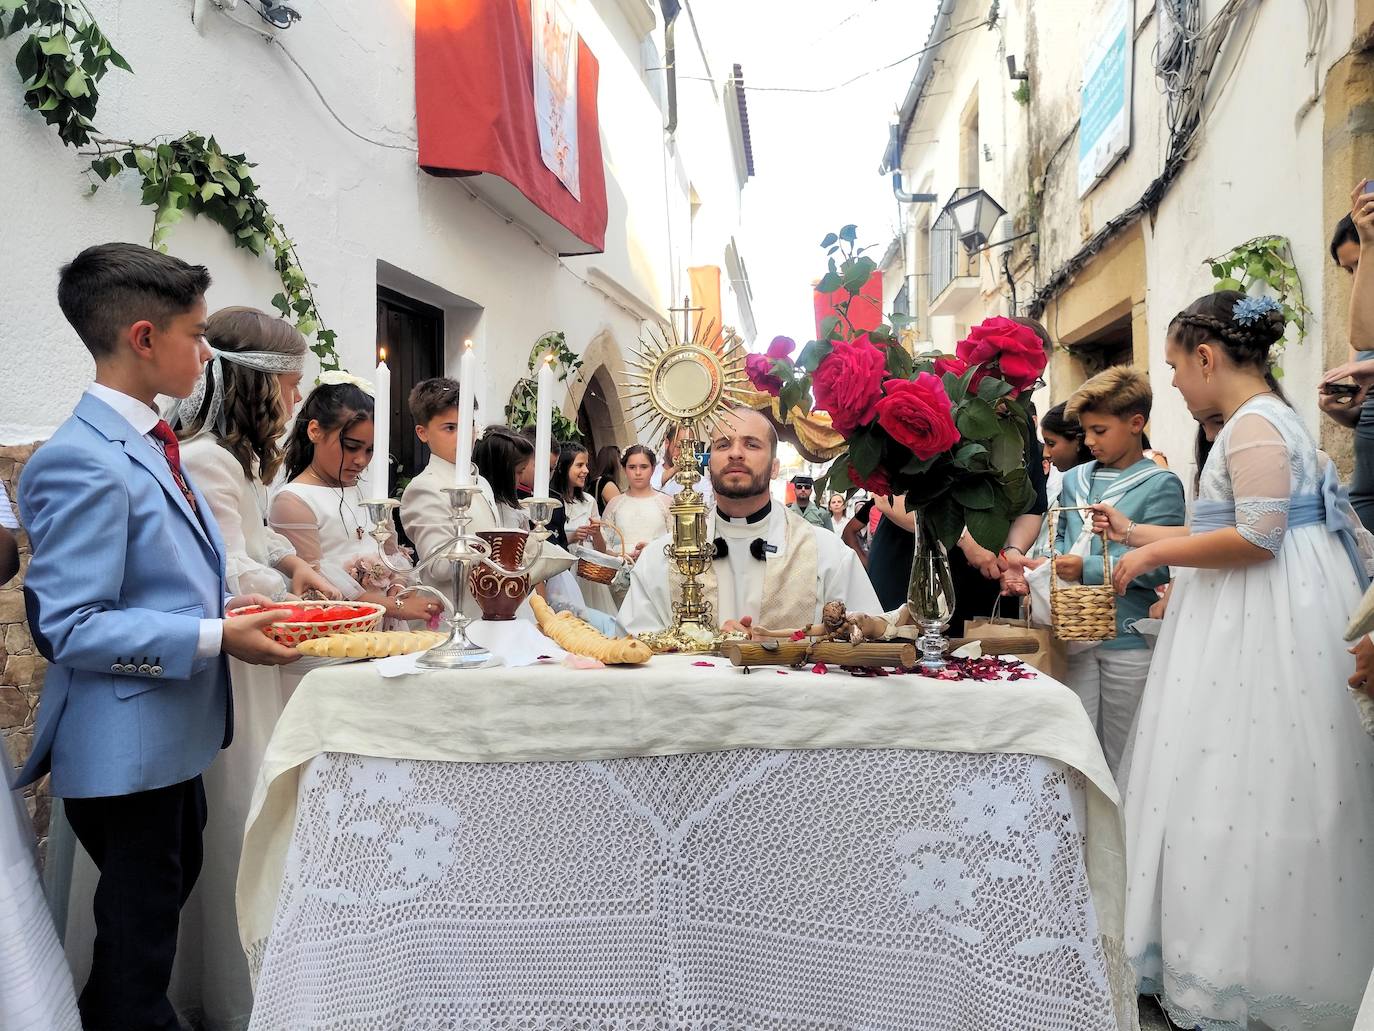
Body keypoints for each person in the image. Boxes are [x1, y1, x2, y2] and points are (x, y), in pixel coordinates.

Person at [14, 242, 300, 1031]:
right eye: (195, 333)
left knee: (147, 937)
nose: (205, 352)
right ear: (144, 338)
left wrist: (230, 610)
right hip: (126, 747)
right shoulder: (80, 460)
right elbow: (72, 624)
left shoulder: (151, 443)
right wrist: (215, 636)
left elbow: (173, 572)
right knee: (139, 955)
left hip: (171, 738)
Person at [1092, 290, 1374, 1027]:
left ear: (1209, 358)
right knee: (1250, 777)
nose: (1178, 385)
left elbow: (1258, 536)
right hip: (1272, 603)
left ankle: (1244, 966)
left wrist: (1154, 550)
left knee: (1242, 773)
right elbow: (1229, 518)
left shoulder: (1251, 426)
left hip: (1261, 614)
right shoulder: (1271, 418)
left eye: (1179, 367)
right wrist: (1136, 532)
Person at [164, 306, 338, 1028]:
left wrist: (294, 559)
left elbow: (256, 539)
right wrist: (284, 582)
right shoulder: (206, 457)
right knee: (241, 815)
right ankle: (233, 994)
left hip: (250, 653)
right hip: (231, 663)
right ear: (258, 385)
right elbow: (225, 568)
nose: (296, 402)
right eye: (292, 387)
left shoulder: (234, 460)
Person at [619, 408, 880, 634]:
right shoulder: (661, 558)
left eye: (751, 444)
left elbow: (865, 635)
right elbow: (634, 647)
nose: (735, 454)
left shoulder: (826, 553)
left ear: (775, 467)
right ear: (709, 464)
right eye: (723, 445)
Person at [1045, 367, 1185, 776]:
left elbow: (1157, 562)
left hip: (1127, 634)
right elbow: (1055, 536)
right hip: (1073, 630)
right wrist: (1045, 560)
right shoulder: (1073, 480)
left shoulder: (1160, 484)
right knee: (1076, 742)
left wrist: (1084, 567)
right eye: (1085, 431)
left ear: (1136, 423)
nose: (1088, 441)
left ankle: (1125, 835)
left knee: (1127, 749)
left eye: (1100, 431)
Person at [270, 379, 441, 625]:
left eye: (370, 450)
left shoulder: (369, 494)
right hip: (332, 632)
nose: (361, 460)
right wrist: (394, 606)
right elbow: (315, 584)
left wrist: (398, 584)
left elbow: (392, 553)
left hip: (384, 627)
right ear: (315, 431)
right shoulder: (293, 500)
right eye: (351, 446)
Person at [1320, 201, 1374, 529]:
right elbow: (1362, 416)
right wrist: (1336, 410)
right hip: (1366, 494)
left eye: (1362, 263)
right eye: (1348, 270)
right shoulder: (1361, 328)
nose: (1355, 278)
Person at [555, 441, 617, 614]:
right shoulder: (553, 501)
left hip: (588, 576)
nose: (586, 471)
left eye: (586, 465)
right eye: (579, 465)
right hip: (564, 574)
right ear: (563, 467)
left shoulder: (588, 501)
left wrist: (596, 533)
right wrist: (572, 536)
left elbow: (601, 549)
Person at [601, 444, 672, 559]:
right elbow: (604, 544)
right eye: (632, 467)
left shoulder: (667, 502)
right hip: (622, 569)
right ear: (624, 469)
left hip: (657, 567)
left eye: (644, 467)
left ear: (653, 468)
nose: (638, 472)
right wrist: (619, 557)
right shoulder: (614, 504)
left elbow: (676, 542)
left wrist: (653, 550)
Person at [650, 422, 713, 504]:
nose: (685, 453)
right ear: (667, 443)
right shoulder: (650, 472)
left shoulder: (701, 483)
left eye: (689, 448)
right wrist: (674, 470)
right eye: (679, 446)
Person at [591, 445, 623, 510]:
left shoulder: (595, 481)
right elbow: (621, 511)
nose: (621, 464)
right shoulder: (607, 484)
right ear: (613, 462)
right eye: (619, 460)